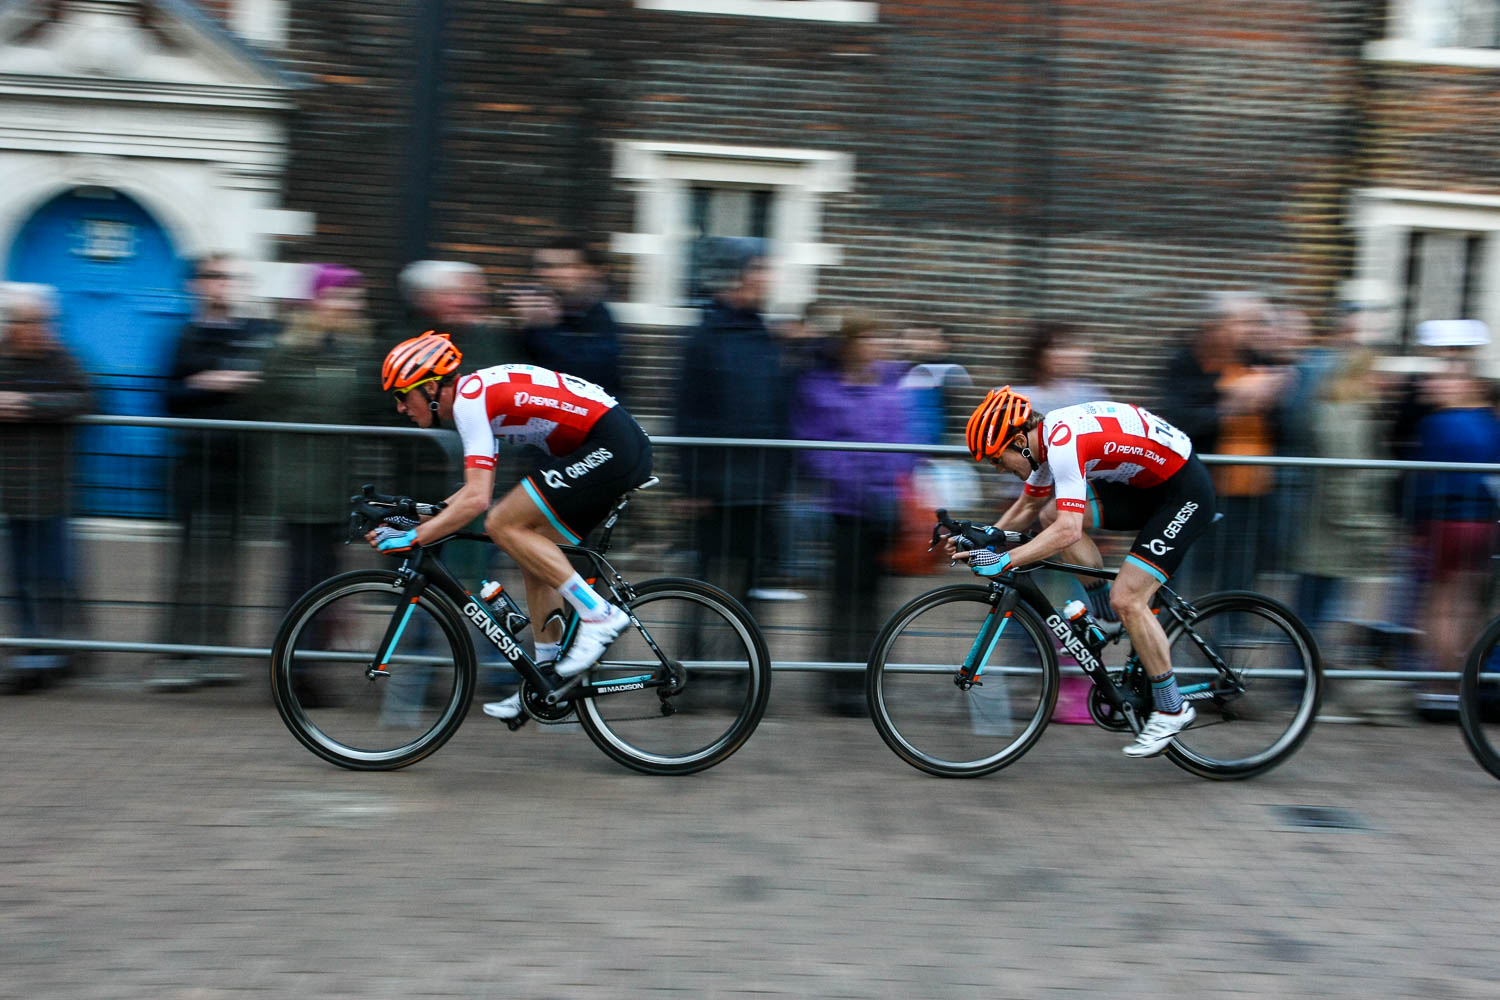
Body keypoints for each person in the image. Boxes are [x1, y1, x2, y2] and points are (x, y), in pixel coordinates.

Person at [371, 333, 653, 722]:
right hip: (608, 446)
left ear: (431, 388)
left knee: (502, 523)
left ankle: (599, 615)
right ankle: (546, 680)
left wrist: (413, 538)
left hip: (612, 445)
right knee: (531, 551)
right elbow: (469, 493)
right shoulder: (476, 398)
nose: (400, 407)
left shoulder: (469, 401)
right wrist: (411, 517)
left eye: (403, 395)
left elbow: (477, 501)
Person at [950, 386, 1217, 757]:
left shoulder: (1062, 442)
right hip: (1145, 485)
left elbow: (1069, 531)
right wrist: (982, 539)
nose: (999, 469)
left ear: (1019, 441)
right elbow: (1028, 506)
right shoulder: (1043, 444)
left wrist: (1005, 560)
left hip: (1183, 491)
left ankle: (1172, 708)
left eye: (998, 459)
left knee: (1128, 597)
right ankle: (1107, 617)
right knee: (1049, 514)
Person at [151, 254, 275, 689]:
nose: (222, 284)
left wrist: (241, 381)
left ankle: (217, 652)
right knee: (190, 560)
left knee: (228, 560)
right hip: (195, 462)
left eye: (228, 276)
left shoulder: (254, 331)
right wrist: (206, 382)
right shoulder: (184, 336)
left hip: (239, 463)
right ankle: (179, 654)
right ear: (196, 285)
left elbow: (268, 381)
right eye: (213, 276)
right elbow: (167, 397)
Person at [790, 311, 916, 716]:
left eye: (880, 339)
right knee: (844, 599)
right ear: (849, 345)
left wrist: (890, 477)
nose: (877, 347)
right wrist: (848, 477)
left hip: (883, 506)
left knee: (875, 600)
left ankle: (868, 679)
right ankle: (838, 681)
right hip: (844, 509)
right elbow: (812, 444)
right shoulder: (821, 388)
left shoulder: (892, 387)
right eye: (868, 339)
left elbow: (905, 443)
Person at [673, 237, 800, 605]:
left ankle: (744, 646)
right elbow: (687, 411)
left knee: (748, 591)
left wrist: (779, 476)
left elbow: (776, 407)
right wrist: (691, 485)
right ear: (737, 275)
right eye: (759, 269)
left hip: (758, 485)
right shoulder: (705, 336)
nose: (768, 278)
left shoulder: (765, 335)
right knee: (705, 590)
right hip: (717, 486)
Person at [256, 264, 377, 612]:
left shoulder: (358, 351)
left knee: (328, 576)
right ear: (316, 301)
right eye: (340, 297)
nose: (350, 305)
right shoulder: (291, 350)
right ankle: (294, 641)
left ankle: (310, 640)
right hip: (303, 485)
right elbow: (270, 404)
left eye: (355, 298)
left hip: (338, 482)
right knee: (304, 575)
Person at [0, 283, 92, 692]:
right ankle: (34, 652)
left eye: (42, 321)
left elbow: (85, 398)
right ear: (14, 325)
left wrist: (29, 404)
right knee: (21, 577)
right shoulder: (4, 359)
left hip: (51, 490)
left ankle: (62, 650)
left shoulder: (61, 358)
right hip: (14, 490)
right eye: (29, 322)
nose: (37, 329)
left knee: (55, 575)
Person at [515, 238, 624, 398]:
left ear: (590, 271)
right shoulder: (542, 311)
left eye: (563, 266)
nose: (549, 274)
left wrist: (541, 329)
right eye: (543, 266)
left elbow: (586, 379)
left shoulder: (597, 316)